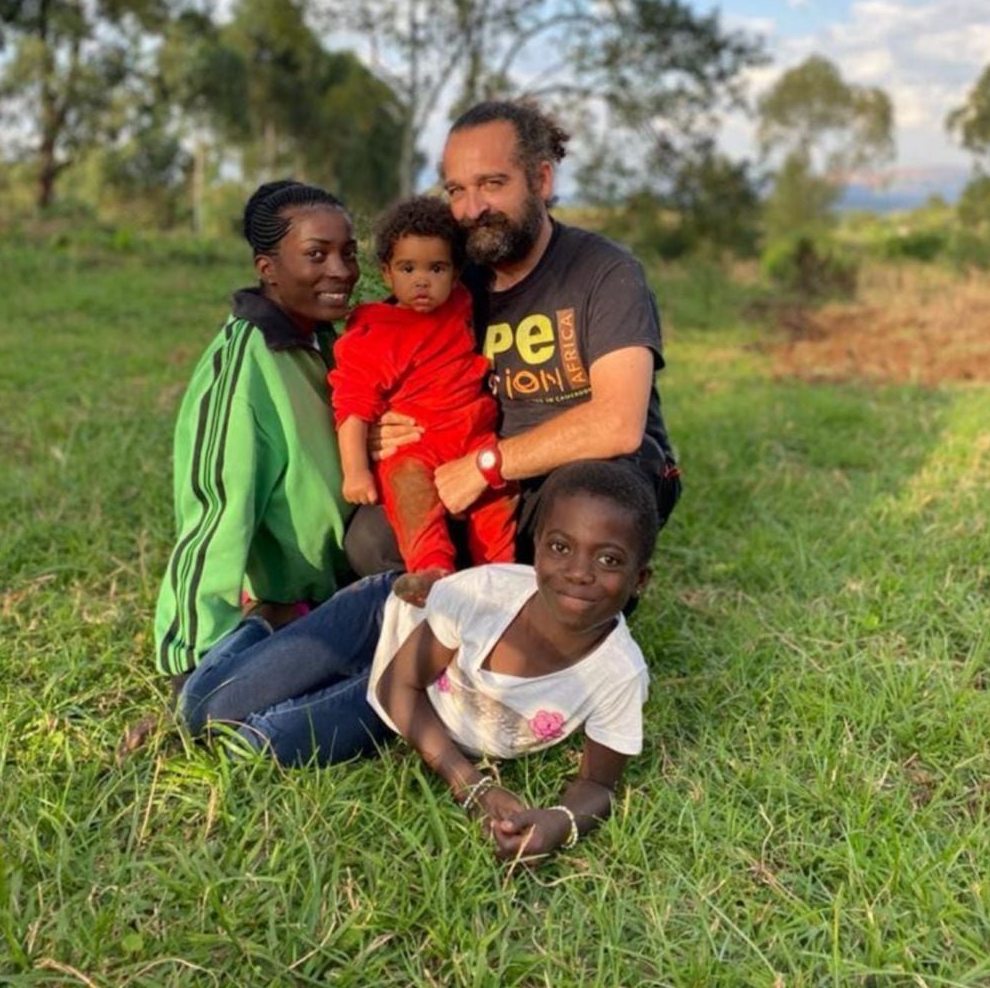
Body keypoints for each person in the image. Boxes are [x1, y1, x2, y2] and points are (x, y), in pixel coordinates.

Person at [179, 460, 655, 864]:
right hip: (383, 621)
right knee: (203, 709)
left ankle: (324, 671)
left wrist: (557, 823)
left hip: (412, 695)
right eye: (560, 547)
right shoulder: (484, 597)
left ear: (640, 580)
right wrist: (470, 785)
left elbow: (597, 783)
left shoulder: (617, 674)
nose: (578, 572)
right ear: (537, 550)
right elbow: (397, 687)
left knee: (252, 745)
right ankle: (263, 622)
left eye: (609, 560)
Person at [343, 98, 680, 577]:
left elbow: (618, 424)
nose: (471, 208)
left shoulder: (605, 271)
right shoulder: (449, 282)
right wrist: (383, 430)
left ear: (541, 181)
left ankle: (553, 637)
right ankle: (450, 627)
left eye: (492, 184)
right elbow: (385, 361)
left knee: (590, 509)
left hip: (576, 473)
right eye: (455, 190)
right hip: (469, 474)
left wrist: (486, 464)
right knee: (370, 540)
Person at [152, 179, 360, 693]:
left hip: (351, 575)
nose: (341, 271)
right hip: (295, 605)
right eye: (316, 254)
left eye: (348, 253)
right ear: (267, 269)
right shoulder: (244, 365)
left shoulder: (331, 339)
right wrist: (188, 665)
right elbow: (215, 514)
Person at [329, 196, 516, 606]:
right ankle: (433, 572)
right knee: (412, 498)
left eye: (437, 268)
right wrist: (356, 471)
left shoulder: (461, 304)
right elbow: (352, 405)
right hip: (416, 445)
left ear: (456, 272)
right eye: (407, 268)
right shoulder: (375, 332)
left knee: (497, 503)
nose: (422, 281)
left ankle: (500, 579)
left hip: (472, 436)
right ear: (387, 272)